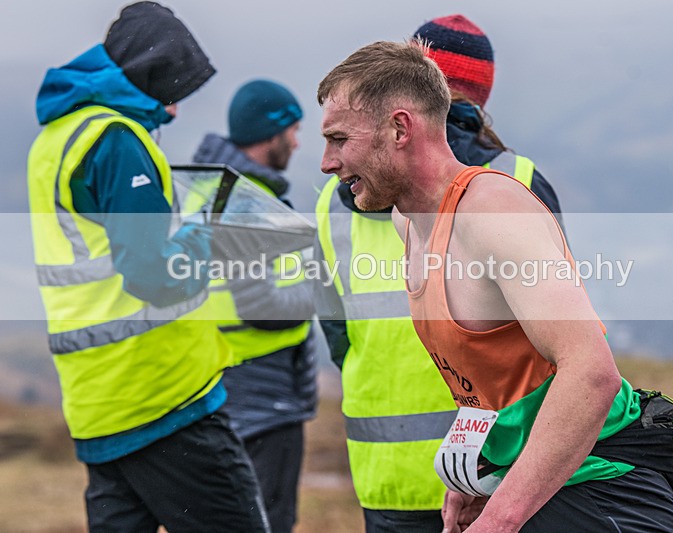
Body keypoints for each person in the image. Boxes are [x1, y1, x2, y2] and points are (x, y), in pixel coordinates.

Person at [316, 41, 673, 532]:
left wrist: (500, 518)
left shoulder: (491, 212)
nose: (326, 162)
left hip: (602, 492)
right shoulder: (409, 221)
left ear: (400, 128)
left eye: (339, 139)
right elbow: (491, 380)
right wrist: (472, 480)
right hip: (532, 487)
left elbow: (593, 374)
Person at [313, 14, 566, 532]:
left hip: (386, 467)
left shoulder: (331, 204)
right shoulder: (516, 180)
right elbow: (554, 343)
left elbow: (334, 330)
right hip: (502, 466)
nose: (328, 161)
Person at [27, 2, 268, 531]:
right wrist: (203, 239)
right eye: (172, 92)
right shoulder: (116, 140)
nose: (175, 110)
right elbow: (152, 275)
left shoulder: (56, 139)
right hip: (163, 397)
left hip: (99, 402)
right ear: (151, 73)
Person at [193, 79, 318, 533]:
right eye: (294, 130)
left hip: (224, 387)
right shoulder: (245, 200)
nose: (298, 142)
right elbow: (261, 305)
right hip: (263, 402)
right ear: (272, 134)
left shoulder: (212, 187)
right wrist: (322, 289)